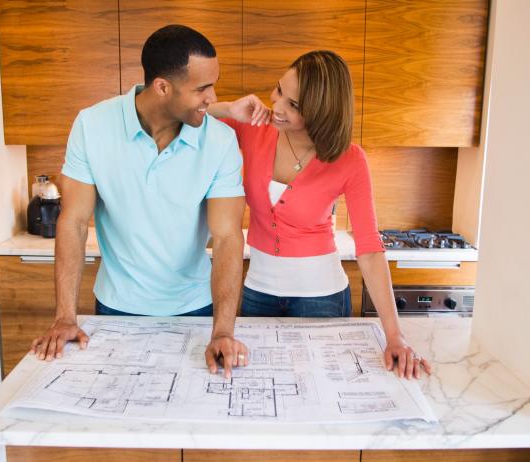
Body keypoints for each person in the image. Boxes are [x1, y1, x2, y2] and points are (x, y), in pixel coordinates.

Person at [30, 25, 248, 378]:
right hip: (116, 307)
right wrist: (65, 317)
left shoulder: (220, 142)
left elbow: (227, 237)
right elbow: (72, 221)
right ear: (162, 87)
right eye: (202, 88)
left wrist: (223, 331)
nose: (213, 97)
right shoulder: (92, 126)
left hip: (195, 308)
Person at [208, 50, 432, 380]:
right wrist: (229, 108)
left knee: (320, 391)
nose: (278, 106)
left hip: (321, 298)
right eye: (279, 89)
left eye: (294, 105)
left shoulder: (350, 160)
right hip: (257, 291)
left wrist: (395, 336)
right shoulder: (255, 128)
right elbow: (191, 115)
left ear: (321, 113)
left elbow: (369, 249)